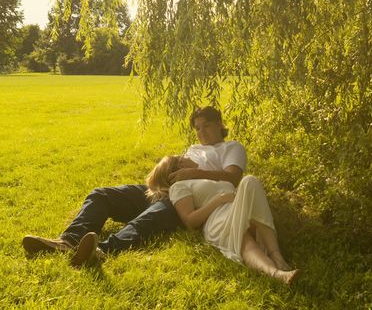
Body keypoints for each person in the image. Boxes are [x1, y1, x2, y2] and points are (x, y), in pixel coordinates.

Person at [22, 106, 247, 268]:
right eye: (197, 128)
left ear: (219, 124)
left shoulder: (231, 148)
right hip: (166, 191)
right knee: (101, 195)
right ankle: (68, 241)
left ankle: (101, 251)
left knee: (147, 220)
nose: (201, 132)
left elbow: (232, 178)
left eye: (206, 125)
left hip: (185, 202)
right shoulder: (194, 148)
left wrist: (192, 172)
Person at [146, 156, 299, 285]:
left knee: (250, 181)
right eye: (182, 157)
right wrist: (219, 200)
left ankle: (277, 256)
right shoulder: (178, 187)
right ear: (179, 166)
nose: (187, 156)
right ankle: (276, 273)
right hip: (217, 218)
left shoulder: (203, 177)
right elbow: (190, 221)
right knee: (243, 236)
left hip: (235, 207)